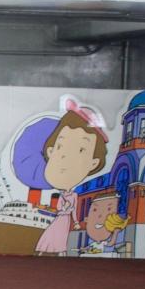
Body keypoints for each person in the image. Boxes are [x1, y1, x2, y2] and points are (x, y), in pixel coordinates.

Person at [34, 109, 109, 256]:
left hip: (66, 219)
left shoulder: (74, 195)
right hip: (61, 217)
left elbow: (73, 211)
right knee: (52, 233)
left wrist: (75, 222)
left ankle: (60, 252)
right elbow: (60, 207)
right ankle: (43, 250)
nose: (65, 156)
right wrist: (64, 208)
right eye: (60, 146)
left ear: (93, 163)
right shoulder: (63, 194)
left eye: (81, 150)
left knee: (61, 236)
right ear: (50, 151)